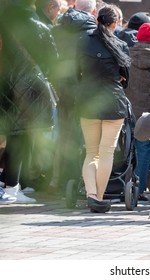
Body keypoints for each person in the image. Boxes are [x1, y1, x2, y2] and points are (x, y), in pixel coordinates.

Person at [0, 0, 58, 203]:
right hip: (28, 87)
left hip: (5, 83)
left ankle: (10, 186)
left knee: (10, 137)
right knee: (20, 138)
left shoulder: (5, 22)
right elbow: (53, 59)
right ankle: (12, 189)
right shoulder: (39, 27)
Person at [76, 4, 131, 213]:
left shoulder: (83, 42)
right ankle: (98, 197)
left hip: (88, 101)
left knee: (91, 152)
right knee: (106, 153)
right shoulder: (120, 44)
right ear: (115, 24)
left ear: (97, 20)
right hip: (113, 102)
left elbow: (76, 72)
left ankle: (91, 194)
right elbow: (126, 80)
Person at [49, 0, 97, 195]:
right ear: (93, 10)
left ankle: (59, 182)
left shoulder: (57, 30)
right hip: (84, 90)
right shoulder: (92, 32)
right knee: (85, 138)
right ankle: (80, 181)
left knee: (64, 136)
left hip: (62, 89)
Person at [125, 22, 150, 202]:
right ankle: (138, 190)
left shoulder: (127, 55)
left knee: (125, 148)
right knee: (145, 149)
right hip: (147, 111)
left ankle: (124, 185)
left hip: (127, 109)